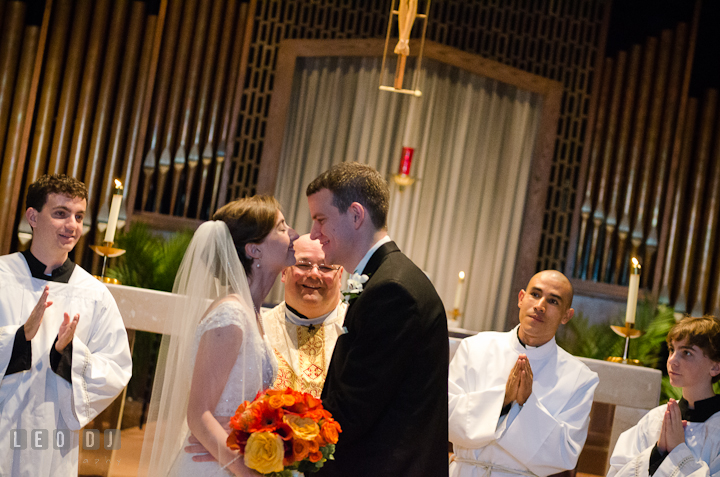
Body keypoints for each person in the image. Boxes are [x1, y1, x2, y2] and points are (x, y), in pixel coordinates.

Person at [306, 162, 449, 477]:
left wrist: (286, 439)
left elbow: (354, 409)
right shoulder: (384, 279)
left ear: (356, 215)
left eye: (320, 219)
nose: (314, 233)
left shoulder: (392, 290)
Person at [139, 195, 298, 476]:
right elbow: (199, 415)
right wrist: (244, 471)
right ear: (254, 250)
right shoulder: (231, 316)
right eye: (282, 228)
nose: (293, 235)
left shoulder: (253, 313)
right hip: (214, 466)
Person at [0, 174, 132, 475]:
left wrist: (67, 354)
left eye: (79, 216)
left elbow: (116, 368)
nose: (72, 225)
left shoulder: (94, 294)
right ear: (33, 217)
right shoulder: (2, 276)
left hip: (52, 439)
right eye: (60, 214)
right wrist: (19, 339)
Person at [448, 270, 599, 477]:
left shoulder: (580, 379)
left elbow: (565, 455)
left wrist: (527, 403)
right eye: (535, 295)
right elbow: (444, 418)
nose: (540, 306)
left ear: (567, 315)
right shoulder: (474, 348)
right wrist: (503, 399)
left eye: (553, 301)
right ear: (521, 298)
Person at [607, 316, 720, 477]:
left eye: (687, 352)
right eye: (672, 350)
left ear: (715, 367)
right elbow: (617, 471)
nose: (672, 360)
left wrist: (678, 451)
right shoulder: (656, 418)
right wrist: (657, 453)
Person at [262, 234, 347, 398]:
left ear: (340, 275)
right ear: (284, 272)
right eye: (303, 265)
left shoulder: (356, 328)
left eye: (326, 267)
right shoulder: (260, 329)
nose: (314, 274)